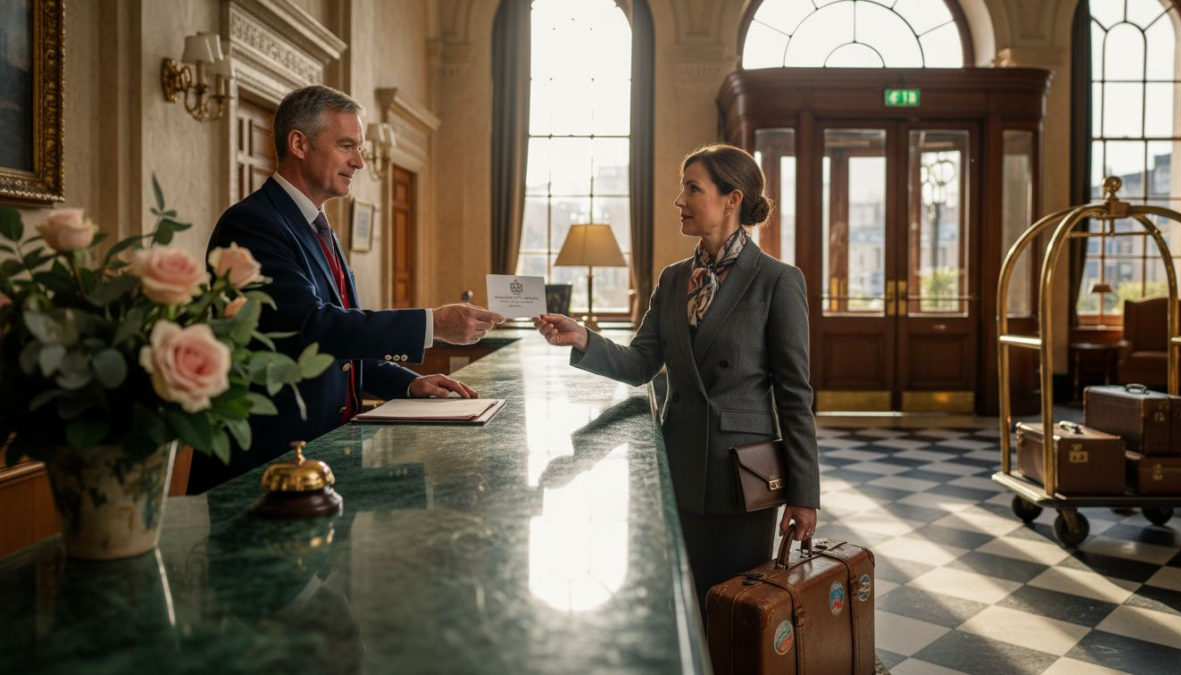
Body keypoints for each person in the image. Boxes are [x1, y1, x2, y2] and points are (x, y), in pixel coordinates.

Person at [533, 144, 819, 610]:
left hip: (742, 478)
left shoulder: (777, 281)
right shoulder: (673, 279)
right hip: (678, 468)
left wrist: (804, 494)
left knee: (734, 610)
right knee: (681, 604)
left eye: (692, 188)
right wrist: (582, 338)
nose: (679, 200)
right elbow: (641, 363)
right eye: (681, 187)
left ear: (732, 199)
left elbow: (795, 395)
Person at [188, 85, 505, 494]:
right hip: (267, 466)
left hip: (322, 460)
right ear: (299, 143)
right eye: (346, 145)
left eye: (359, 147)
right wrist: (433, 322)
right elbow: (310, 327)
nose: (358, 161)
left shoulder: (316, 224)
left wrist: (408, 383)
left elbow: (338, 347)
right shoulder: (254, 224)